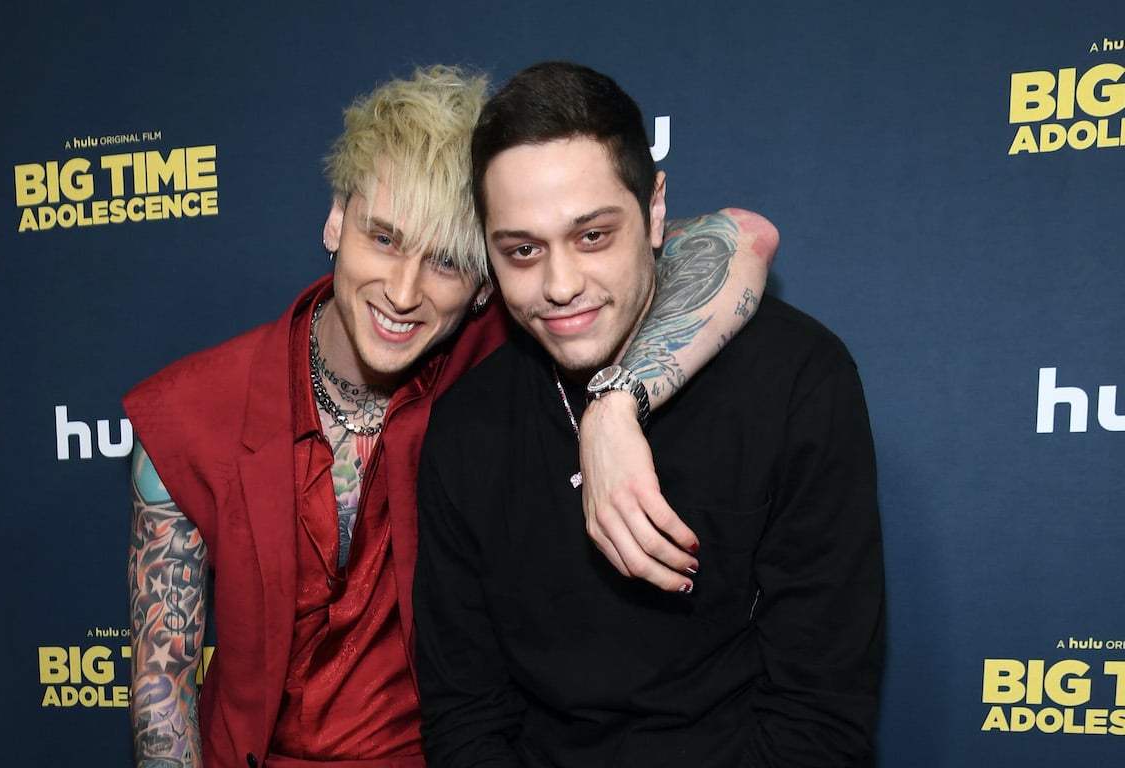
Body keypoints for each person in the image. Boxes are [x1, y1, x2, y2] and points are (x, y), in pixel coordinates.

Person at [125, 65, 775, 768]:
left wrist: (616, 405)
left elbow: (740, 237)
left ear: (486, 281)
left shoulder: (511, 340)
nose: (403, 293)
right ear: (337, 219)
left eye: (445, 261)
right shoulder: (196, 410)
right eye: (383, 238)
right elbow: (163, 690)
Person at [413, 61, 885, 766]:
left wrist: (612, 405)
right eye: (523, 250)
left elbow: (819, 715)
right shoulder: (467, 427)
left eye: (593, 236)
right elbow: (465, 716)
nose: (560, 285)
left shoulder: (796, 379)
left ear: (655, 210)